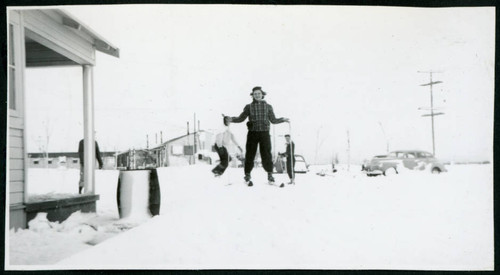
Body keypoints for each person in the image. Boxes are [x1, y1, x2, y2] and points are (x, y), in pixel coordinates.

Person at [227, 86, 289, 186]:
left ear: (262, 94)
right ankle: (247, 175)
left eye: (259, 93)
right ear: (252, 95)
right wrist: (231, 119)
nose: (257, 95)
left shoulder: (268, 106)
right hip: (252, 133)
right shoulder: (248, 107)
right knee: (250, 154)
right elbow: (241, 118)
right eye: (255, 94)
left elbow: (273, 120)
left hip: (264, 133)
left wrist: (282, 120)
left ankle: (270, 175)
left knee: (266, 154)